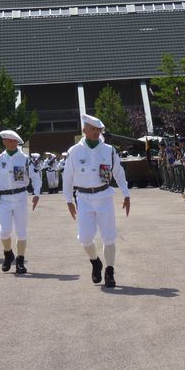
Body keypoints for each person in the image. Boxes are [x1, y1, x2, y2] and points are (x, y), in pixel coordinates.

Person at [62, 114, 131, 288]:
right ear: (84, 129)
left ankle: (109, 271)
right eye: (92, 129)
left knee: (108, 237)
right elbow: (67, 177)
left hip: (104, 197)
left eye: (98, 129)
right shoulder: (74, 151)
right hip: (83, 199)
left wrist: (126, 193)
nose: (95, 132)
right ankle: (95, 262)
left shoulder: (109, 150)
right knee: (85, 238)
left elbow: (119, 173)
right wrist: (68, 199)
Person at [0, 130, 41, 274]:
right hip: (4, 199)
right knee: (4, 232)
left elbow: (35, 177)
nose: (11, 143)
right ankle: (8, 253)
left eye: (14, 141)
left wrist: (36, 193)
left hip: (20, 197)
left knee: (21, 231)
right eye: (8, 141)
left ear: (17, 142)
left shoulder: (24, 159)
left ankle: (20, 261)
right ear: (4, 142)